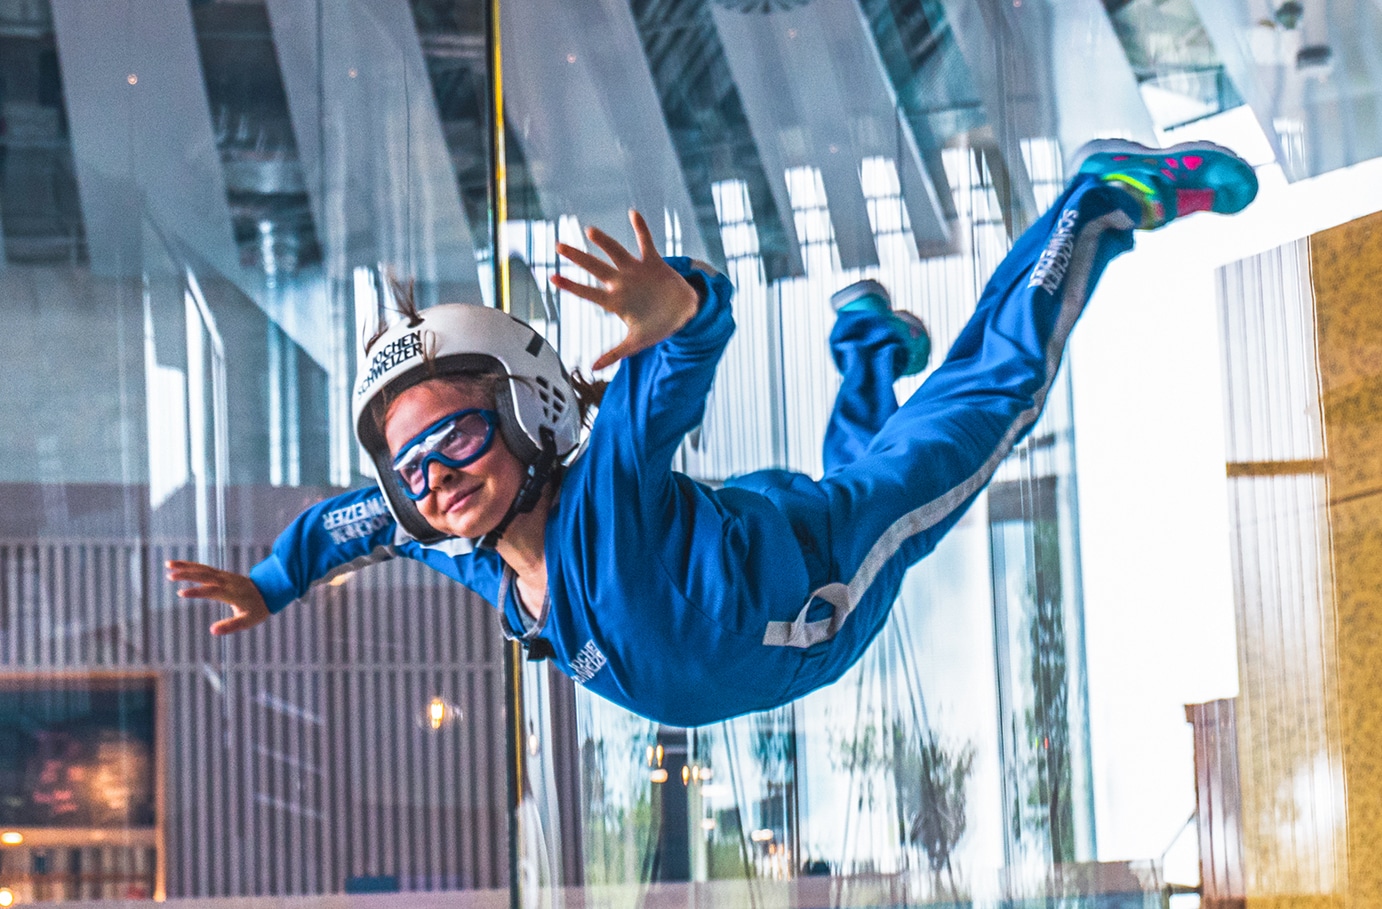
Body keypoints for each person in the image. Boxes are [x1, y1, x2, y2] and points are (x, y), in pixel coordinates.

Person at [168, 139, 1258, 727]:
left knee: (990, 400)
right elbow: (356, 521)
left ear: (527, 410)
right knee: (867, 469)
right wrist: (271, 580)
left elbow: (684, 353)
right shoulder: (476, 556)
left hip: (818, 580)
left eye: (455, 437)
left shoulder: (607, 486)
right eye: (413, 466)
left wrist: (678, 302)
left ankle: (1098, 200)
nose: (435, 479)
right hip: (767, 562)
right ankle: (868, 349)